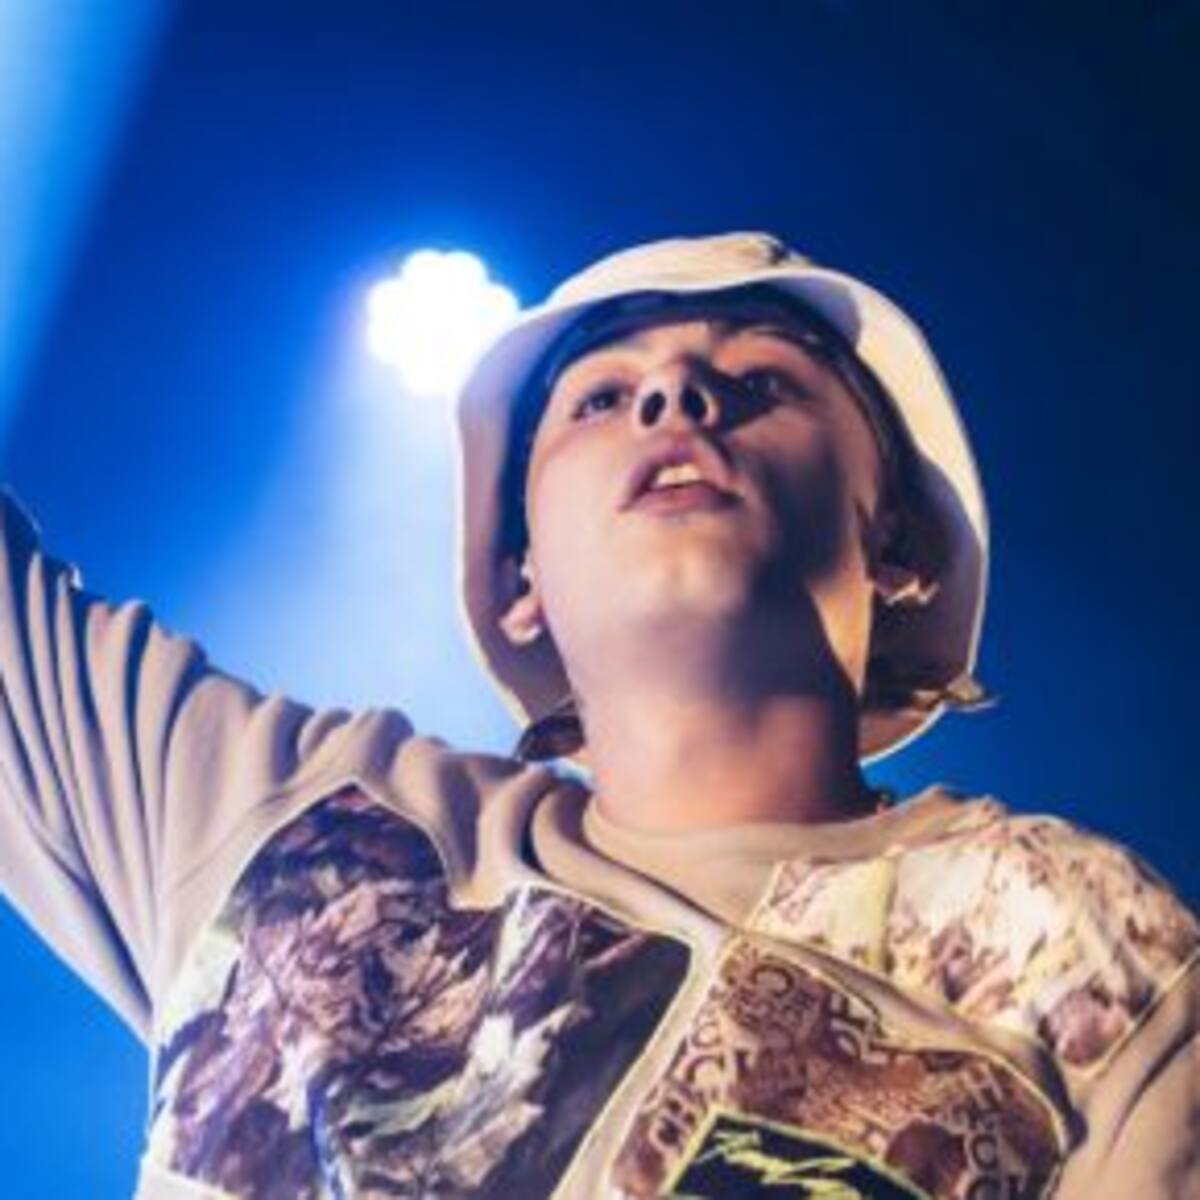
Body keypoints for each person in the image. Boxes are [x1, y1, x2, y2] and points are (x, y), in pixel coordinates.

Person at [0, 231, 1195, 1199]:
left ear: (898, 544)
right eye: (602, 397)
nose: (678, 394)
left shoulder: (1079, 949)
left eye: (764, 383)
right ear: (517, 577)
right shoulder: (307, 829)